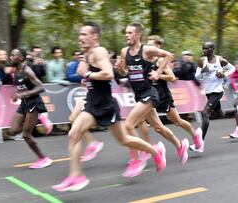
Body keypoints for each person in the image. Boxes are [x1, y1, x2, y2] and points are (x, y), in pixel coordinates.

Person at [52, 21, 166, 192]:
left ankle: (155, 151)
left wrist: (88, 74)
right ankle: (76, 176)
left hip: (105, 104)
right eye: (80, 35)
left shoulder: (99, 51)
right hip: (92, 102)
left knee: (124, 140)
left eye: (84, 35)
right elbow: (94, 76)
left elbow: (107, 74)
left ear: (94, 36)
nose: (80, 38)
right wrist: (86, 78)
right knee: (74, 133)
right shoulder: (88, 55)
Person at [116, 22, 189, 178]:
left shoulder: (147, 50)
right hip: (139, 95)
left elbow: (169, 55)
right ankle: (180, 145)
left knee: (128, 124)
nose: (126, 35)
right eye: (126, 33)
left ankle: (139, 158)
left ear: (138, 35)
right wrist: (120, 69)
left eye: (130, 33)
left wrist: (158, 72)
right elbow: (125, 74)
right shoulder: (124, 52)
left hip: (149, 93)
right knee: (158, 128)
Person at [136, 35, 204, 155]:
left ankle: (196, 135)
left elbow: (172, 78)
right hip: (150, 96)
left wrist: (158, 74)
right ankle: (147, 148)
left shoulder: (160, 60)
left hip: (163, 96)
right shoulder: (145, 60)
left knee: (177, 121)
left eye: (152, 45)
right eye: (148, 44)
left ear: (158, 46)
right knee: (141, 121)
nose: (148, 47)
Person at [7, 48, 52, 169]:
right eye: (10, 55)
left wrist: (22, 94)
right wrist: (18, 95)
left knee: (26, 135)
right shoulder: (15, 70)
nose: (10, 57)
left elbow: (41, 88)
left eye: (13, 55)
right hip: (24, 103)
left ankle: (43, 158)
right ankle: (41, 119)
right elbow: (22, 87)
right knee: (12, 131)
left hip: (34, 102)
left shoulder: (27, 70)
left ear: (21, 58)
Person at [194, 41, 236, 150]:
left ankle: (200, 144)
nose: (204, 50)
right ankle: (237, 111)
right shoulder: (202, 61)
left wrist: (224, 74)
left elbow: (233, 69)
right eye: (203, 48)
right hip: (208, 91)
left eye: (206, 48)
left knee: (205, 113)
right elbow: (196, 76)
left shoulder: (220, 60)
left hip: (217, 91)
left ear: (213, 49)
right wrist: (202, 71)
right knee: (219, 114)